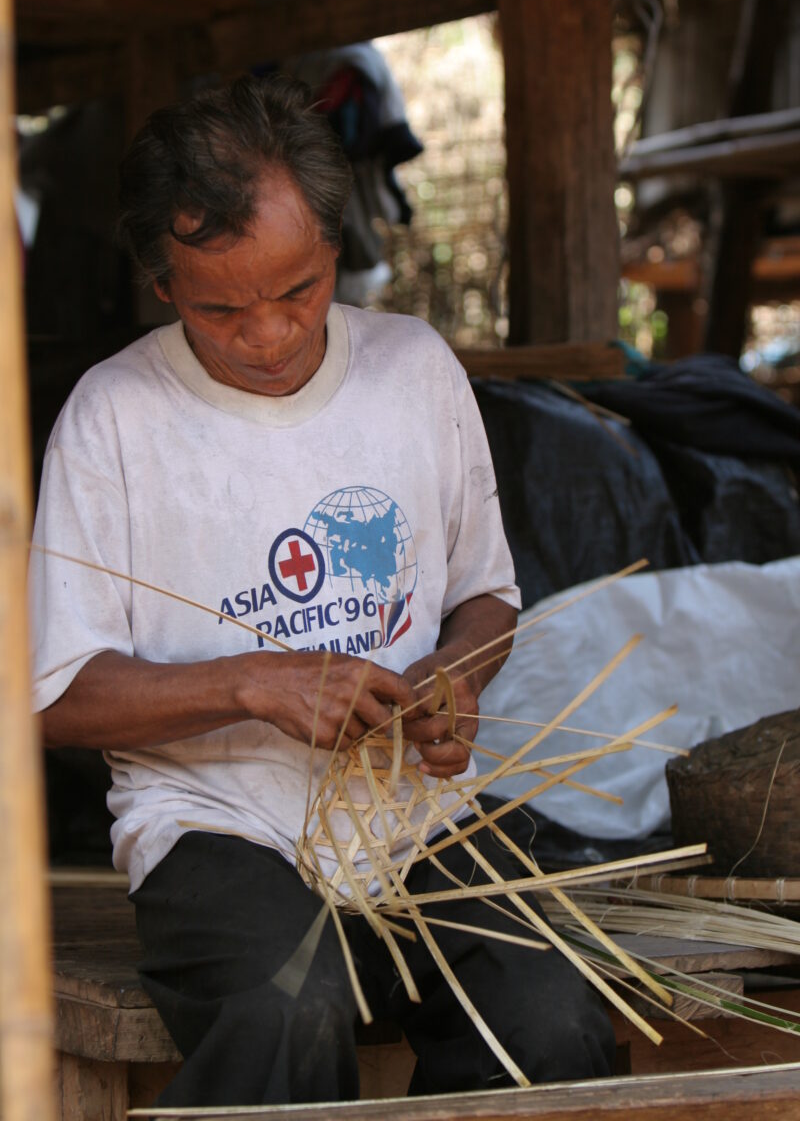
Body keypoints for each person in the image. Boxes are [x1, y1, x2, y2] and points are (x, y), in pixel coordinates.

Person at [30, 75, 615, 1107]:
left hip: (416, 819)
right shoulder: (112, 417)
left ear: (335, 252)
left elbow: (486, 599)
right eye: (220, 308)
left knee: (550, 1012)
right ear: (161, 285)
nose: (268, 336)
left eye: (296, 292)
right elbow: (57, 696)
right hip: (218, 824)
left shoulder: (414, 371)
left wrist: (454, 682)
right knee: (284, 1011)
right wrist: (253, 684)